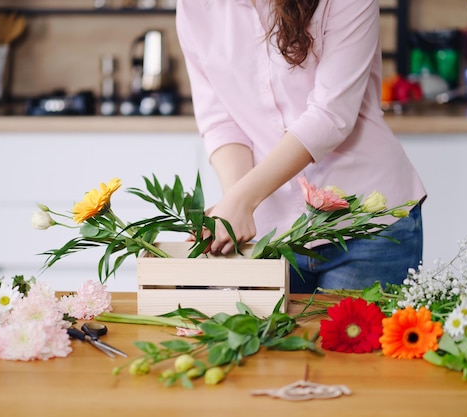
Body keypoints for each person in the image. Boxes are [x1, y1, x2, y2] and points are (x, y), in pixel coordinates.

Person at [175, 0, 426, 292]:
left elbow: (331, 115)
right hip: (272, 237)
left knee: (352, 337)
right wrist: (235, 209)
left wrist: (241, 200)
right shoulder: (195, 6)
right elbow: (221, 121)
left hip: (366, 225)